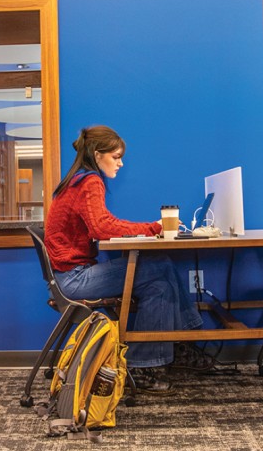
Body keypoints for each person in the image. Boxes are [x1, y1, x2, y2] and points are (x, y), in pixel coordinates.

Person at [44, 125, 210, 394]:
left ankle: (147, 364)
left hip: (70, 276)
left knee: (160, 287)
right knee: (161, 264)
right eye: (116, 156)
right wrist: (153, 227)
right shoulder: (89, 181)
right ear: (98, 155)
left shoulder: (77, 180)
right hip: (74, 280)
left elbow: (104, 224)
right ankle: (181, 342)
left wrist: (148, 228)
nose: (121, 163)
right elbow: (101, 227)